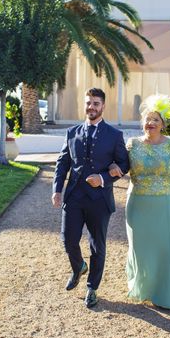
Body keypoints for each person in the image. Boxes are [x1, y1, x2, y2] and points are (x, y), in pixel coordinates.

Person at [110, 94, 170, 309]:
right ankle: (143, 286)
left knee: (167, 247)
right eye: (148, 119)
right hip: (139, 204)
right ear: (142, 122)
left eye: (155, 119)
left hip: (167, 204)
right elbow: (121, 167)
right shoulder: (132, 145)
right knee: (141, 248)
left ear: (163, 124)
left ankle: (165, 292)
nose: (151, 123)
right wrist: (113, 168)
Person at [52, 88, 130, 308]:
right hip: (74, 196)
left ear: (103, 106)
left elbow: (124, 164)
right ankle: (78, 267)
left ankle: (91, 288)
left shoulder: (115, 135)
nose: (91, 107)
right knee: (68, 240)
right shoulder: (72, 133)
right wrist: (57, 189)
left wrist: (103, 178)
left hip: (99, 200)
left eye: (96, 103)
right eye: (88, 103)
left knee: (97, 246)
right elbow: (62, 164)